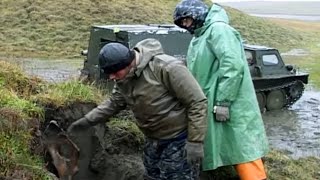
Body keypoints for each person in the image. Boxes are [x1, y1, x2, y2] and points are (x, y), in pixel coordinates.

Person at [68, 38, 208, 180]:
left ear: (128, 64)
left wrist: (195, 142)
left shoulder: (167, 67)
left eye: (115, 72)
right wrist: (87, 121)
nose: (111, 77)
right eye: (109, 73)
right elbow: (114, 103)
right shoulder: (124, 79)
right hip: (152, 141)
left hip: (179, 140)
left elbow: (197, 102)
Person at [173, 1, 269, 179]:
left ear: (197, 14)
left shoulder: (218, 30)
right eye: (183, 23)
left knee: (242, 144)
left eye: (187, 20)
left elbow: (232, 66)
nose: (186, 25)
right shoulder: (200, 35)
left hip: (230, 100)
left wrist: (224, 101)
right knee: (227, 142)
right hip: (212, 99)